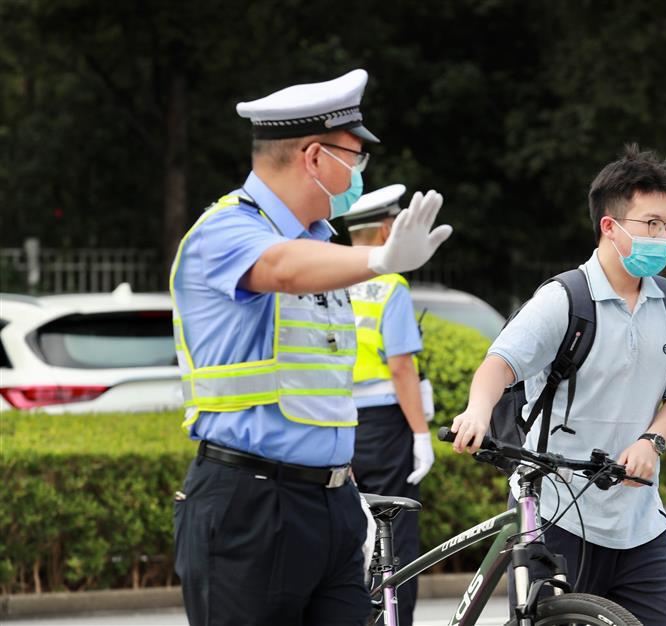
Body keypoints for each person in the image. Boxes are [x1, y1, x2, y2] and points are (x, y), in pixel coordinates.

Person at [170, 69, 452, 626]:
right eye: (357, 156)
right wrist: (378, 260)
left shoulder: (321, 244)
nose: (360, 173)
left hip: (333, 503)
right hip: (250, 502)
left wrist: (344, 497)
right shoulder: (225, 229)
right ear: (316, 156)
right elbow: (278, 268)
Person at [450, 143, 666, 626]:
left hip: (640, 522)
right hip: (556, 514)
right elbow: (499, 364)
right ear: (609, 227)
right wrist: (476, 411)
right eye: (649, 224)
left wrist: (652, 442)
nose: (663, 236)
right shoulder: (565, 299)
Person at [344, 184, 434, 626]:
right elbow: (401, 368)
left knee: (347, 537)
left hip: (336, 423)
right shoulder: (389, 285)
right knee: (394, 535)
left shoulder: (332, 278)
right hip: (384, 426)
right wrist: (420, 433)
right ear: (386, 231)